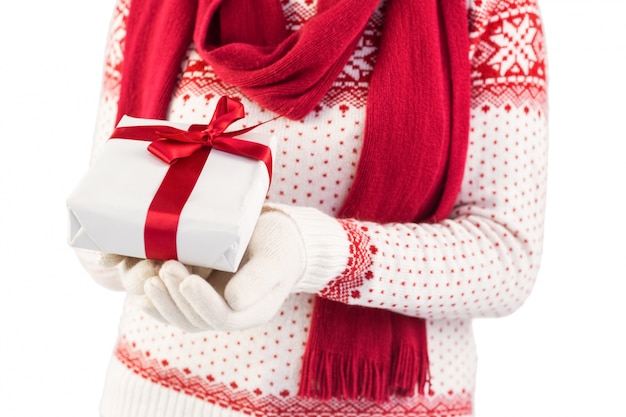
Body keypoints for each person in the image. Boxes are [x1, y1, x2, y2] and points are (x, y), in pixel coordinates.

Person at [74, 0, 548, 416]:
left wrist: (310, 251)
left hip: (378, 405)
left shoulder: (489, 9)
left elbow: (507, 255)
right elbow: (105, 200)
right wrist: (128, 255)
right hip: (157, 399)